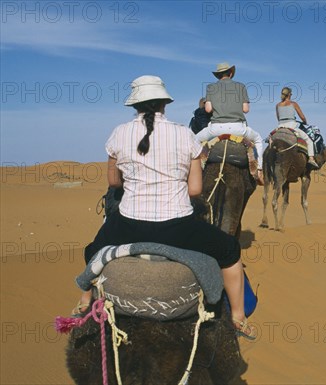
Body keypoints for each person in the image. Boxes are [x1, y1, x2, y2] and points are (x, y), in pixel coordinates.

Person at [74, 75, 256, 339]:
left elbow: (114, 182)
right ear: (164, 104)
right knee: (230, 251)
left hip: (128, 225)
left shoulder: (118, 133)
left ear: (134, 105)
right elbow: (195, 189)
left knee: (93, 250)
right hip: (178, 227)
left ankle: (84, 301)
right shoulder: (184, 134)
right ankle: (238, 318)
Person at [195, 62, 264, 184]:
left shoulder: (210, 87)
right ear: (231, 73)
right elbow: (245, 110)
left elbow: (208, 109)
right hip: (238, 128)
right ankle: (259, 170)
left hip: (216, 128)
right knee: (258, 139)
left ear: (218, 75)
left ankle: (192, 172)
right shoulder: (241, 86)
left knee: (194, 140)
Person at [276, 87, 320, 169]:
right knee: (308, 140)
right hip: (292, 126)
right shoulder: (293, 104)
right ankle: (311, 158)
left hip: (280, 127)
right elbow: (302, 117)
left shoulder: (277, 105)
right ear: (289, 94)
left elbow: (278, 118)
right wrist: (305, 122)